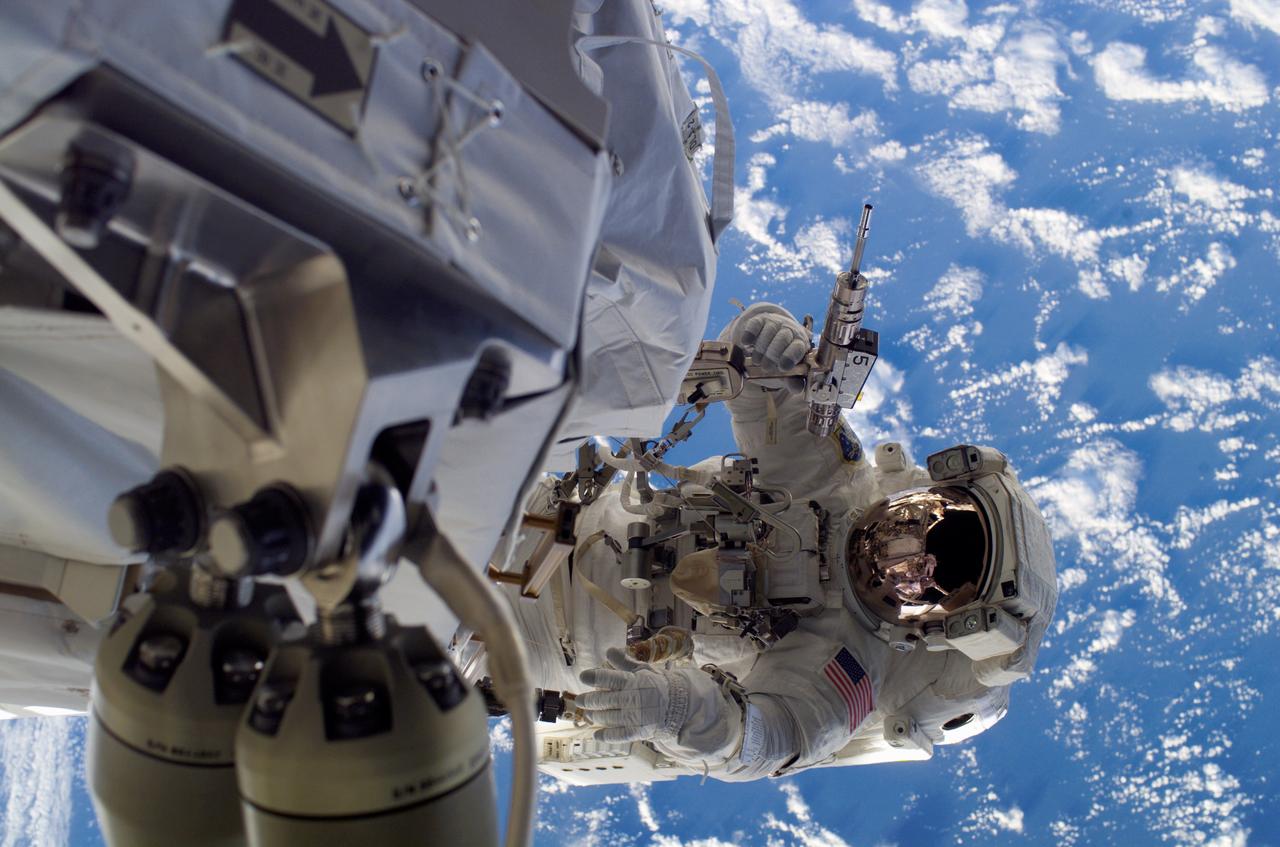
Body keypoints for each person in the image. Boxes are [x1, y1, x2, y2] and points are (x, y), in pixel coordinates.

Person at [506, 303, 1058, 780]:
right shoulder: (832, 481)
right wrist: (778, 340)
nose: (905, 551)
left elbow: (766, 737)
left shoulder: (848, 669)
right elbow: (754, 357)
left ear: (935, 627)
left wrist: (681, 711)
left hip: (518, 639)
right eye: (931, 520)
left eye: (928, 578)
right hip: (534, 512)